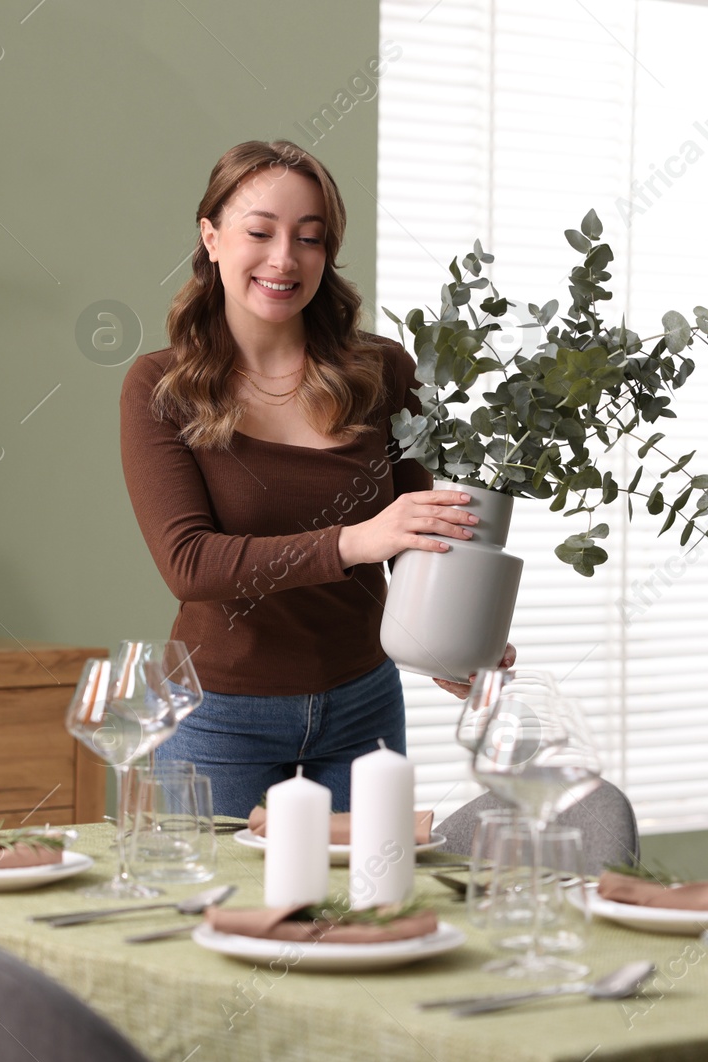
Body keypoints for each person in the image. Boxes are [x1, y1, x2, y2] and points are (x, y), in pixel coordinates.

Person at [119, 140, 513, 816]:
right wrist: (354, 541)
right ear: (211, 238)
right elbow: (190, 563)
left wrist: (454, 635)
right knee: (228, 915)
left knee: (366, 910)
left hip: (362, 703)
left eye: (309, 237)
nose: (284, 258)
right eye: (260, 232)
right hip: (217, 714)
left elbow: (421, 525)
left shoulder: (383, 370)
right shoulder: (160, 387)